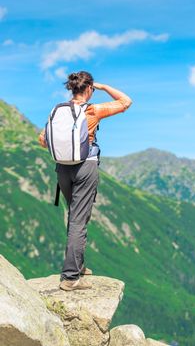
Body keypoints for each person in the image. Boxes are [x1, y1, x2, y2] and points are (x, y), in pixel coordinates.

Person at [38, 71, 132, 291]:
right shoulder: (92, 109)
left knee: (75, 215)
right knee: (79, 220)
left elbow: (42, 139)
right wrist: (104, 86)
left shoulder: (58, 111)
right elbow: (126, 101)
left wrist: (64, 151)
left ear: (72, 88)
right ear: (88, 88)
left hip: (62, 169)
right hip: (85, 167)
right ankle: (71, 277)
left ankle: (78, 266)